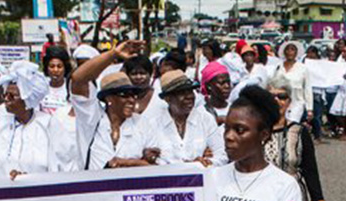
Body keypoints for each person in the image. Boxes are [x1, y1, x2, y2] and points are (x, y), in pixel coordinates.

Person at [70, 41, 157, 170]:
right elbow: (78, 79)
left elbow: (156, 167)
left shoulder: (142, 124)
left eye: (133, 94)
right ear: (109, 98)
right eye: (124, 95)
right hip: (94, 189)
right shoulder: (91, 119)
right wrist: (113, 54)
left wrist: (126, 163)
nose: (131, 100)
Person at [0, 61, 52, 177]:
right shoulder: (1, 124)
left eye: (12, 96)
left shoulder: (48, 124)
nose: (6, 99)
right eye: (5, 95)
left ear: (26, 99)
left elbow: (62, 167)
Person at [145, 69, 226, 166]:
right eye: (182, 92)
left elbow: (222, 155)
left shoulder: (205, 119)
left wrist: (205, 163)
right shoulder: (153, 124)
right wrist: (186, 166)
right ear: (168, 98)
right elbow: (152, 160)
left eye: (190, 91)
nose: (189, 96)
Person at [271, 41, 311, 125]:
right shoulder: (278, 67)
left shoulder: (303, 68)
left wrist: (309, 109)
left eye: (292, 49)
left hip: (297, 102)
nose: (290, 52)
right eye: (287, 50)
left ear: (296, 52)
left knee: (292, 123)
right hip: (281, 102)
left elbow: (307, 88)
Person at [41, 46, 73, 116]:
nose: (55, 70)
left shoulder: (71, 88)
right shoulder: (41, 87)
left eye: (59, 66)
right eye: (52, 66)